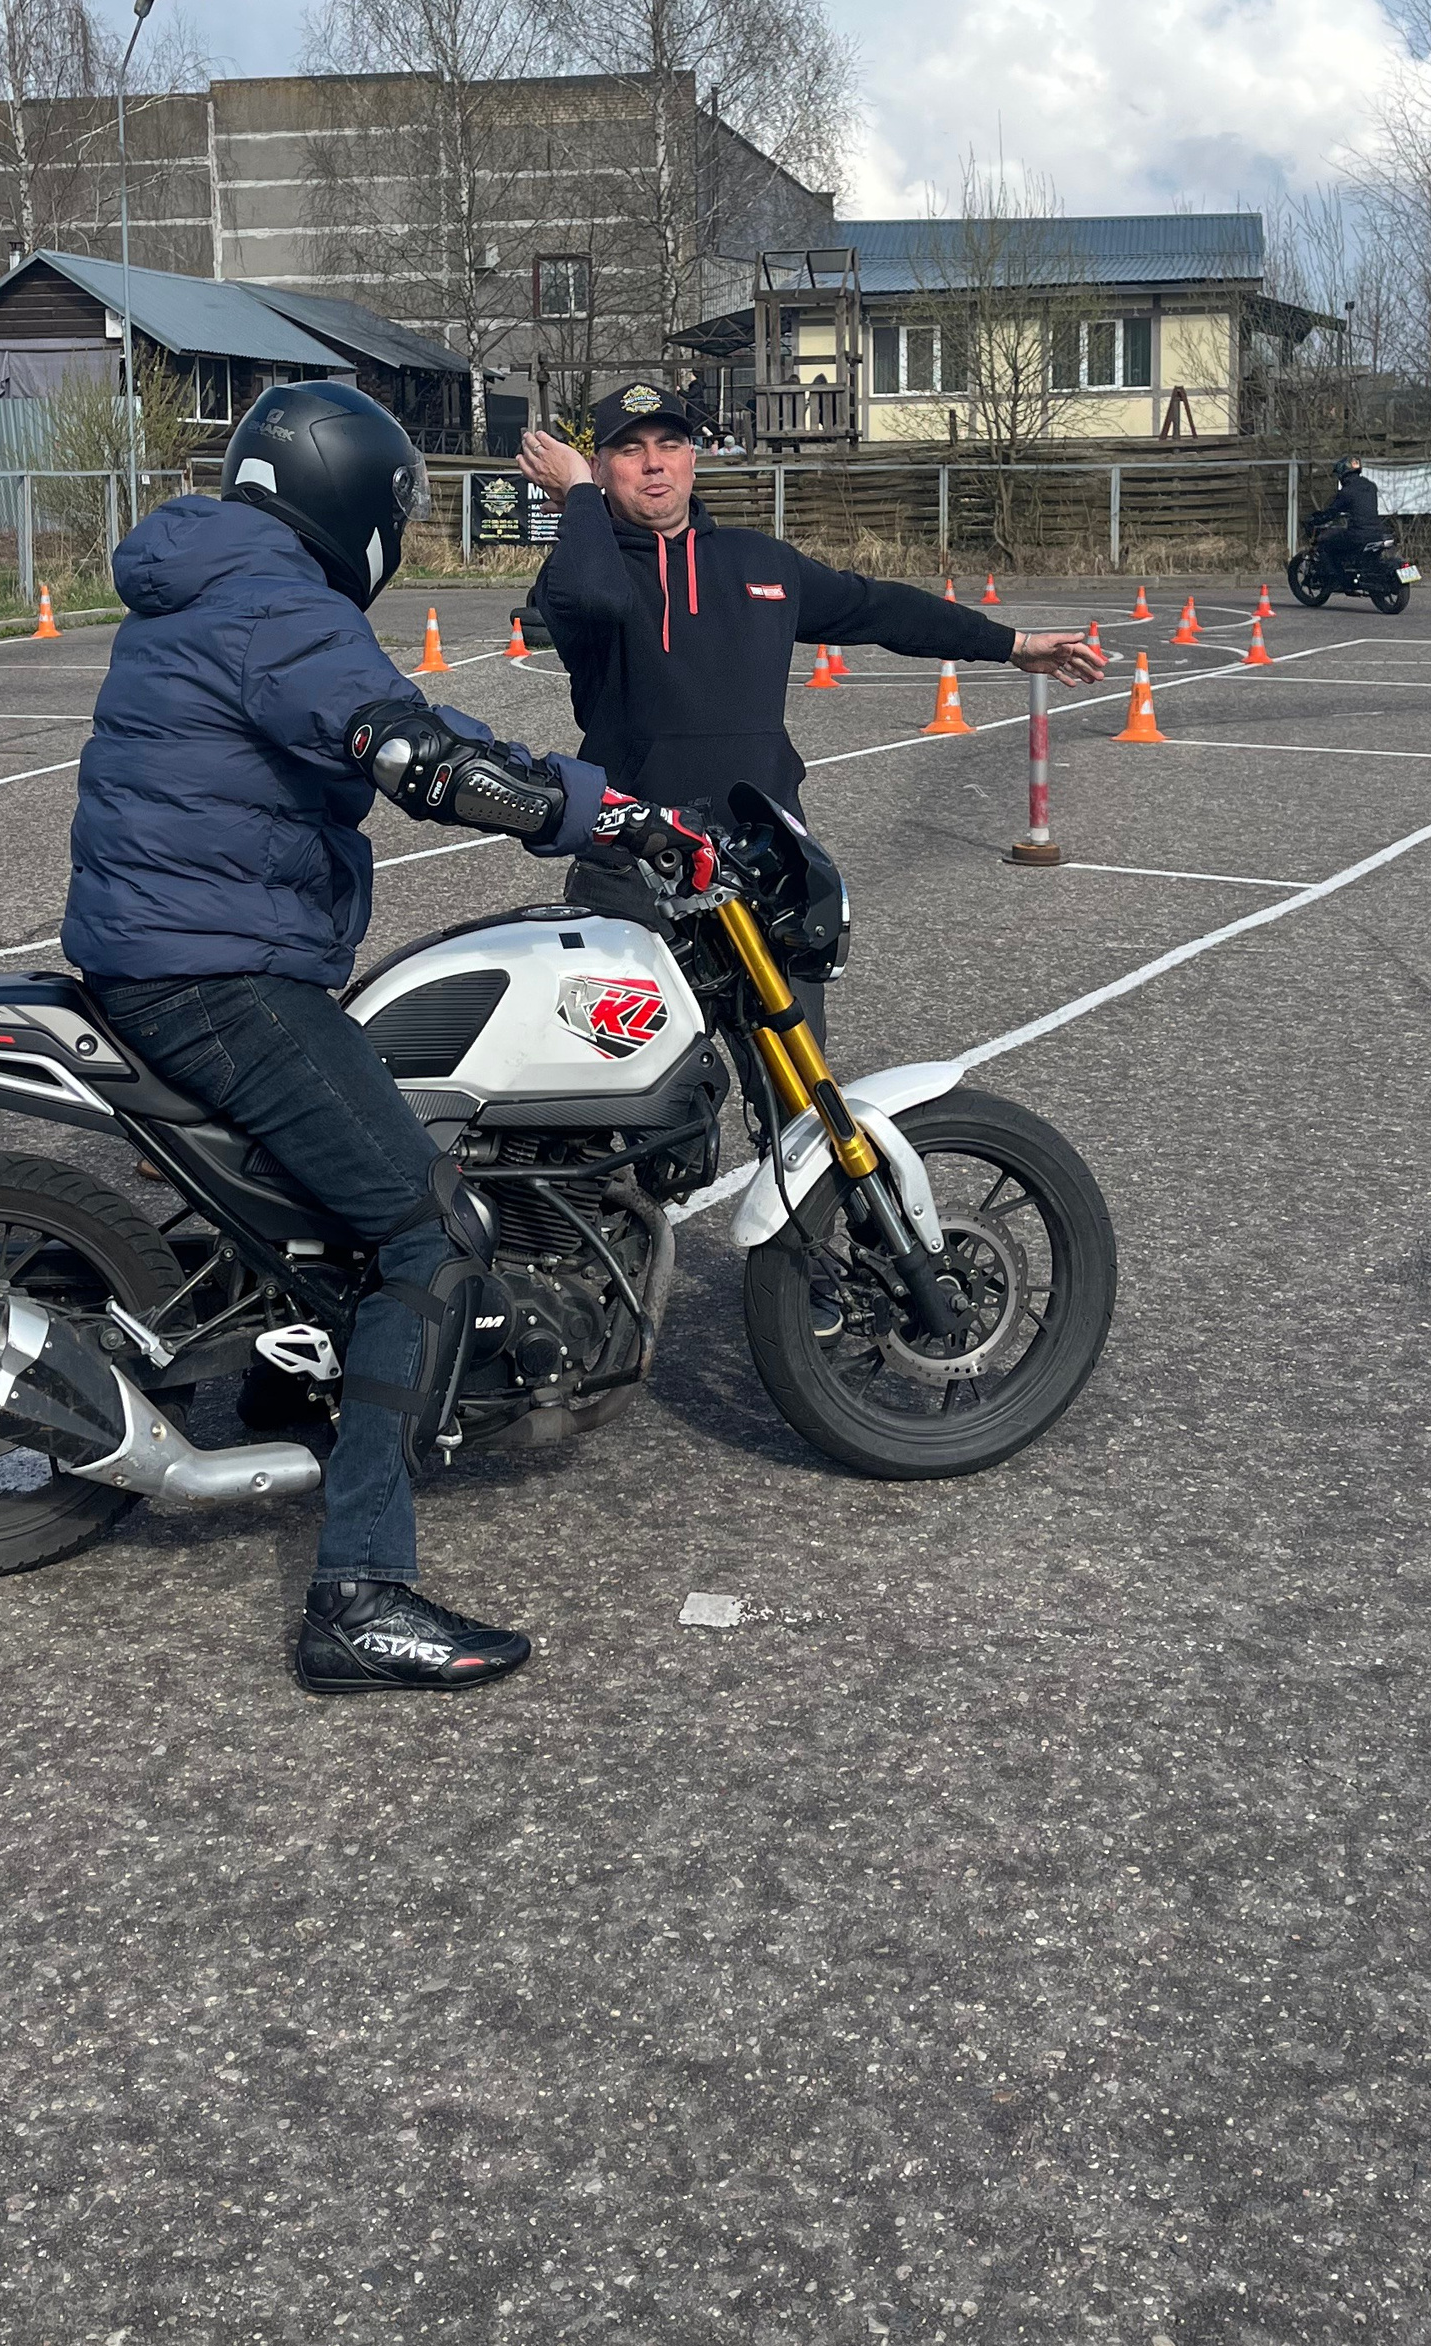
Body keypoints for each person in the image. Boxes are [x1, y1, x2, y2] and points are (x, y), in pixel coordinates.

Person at [60, 379, 708, 1702]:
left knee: (372, 1168)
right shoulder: (273, 600)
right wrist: (571, 812)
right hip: (217, 976)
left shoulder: (220, 576)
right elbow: (408, 746)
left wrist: (595, 796)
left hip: (182, 953)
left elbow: (396, 722)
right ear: (350, 500)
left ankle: (321, 1372)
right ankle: (357, 1591)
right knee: (429, 1225)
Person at [518, 383, 1107, 995]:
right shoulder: (579, 566)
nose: (654, 462)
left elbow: (879, 609)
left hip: (762, 860)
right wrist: (580, 500)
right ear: (600, 469)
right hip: (631, 861)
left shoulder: (760, 561)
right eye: (629, 450)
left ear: (693, 457)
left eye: (671, 443)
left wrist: (1012, 644)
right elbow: (595, 597)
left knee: (793, 1070)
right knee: (636, 1073)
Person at [1305, 455, 1382, 586]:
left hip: (1358, 534)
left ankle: (1336, 578)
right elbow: (1360, 506)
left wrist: (1316, 519)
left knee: (1325, 544)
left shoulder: (1347, 492)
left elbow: (1331, 512)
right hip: (1377, 531)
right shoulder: (1371, 487)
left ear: (1342, 474)